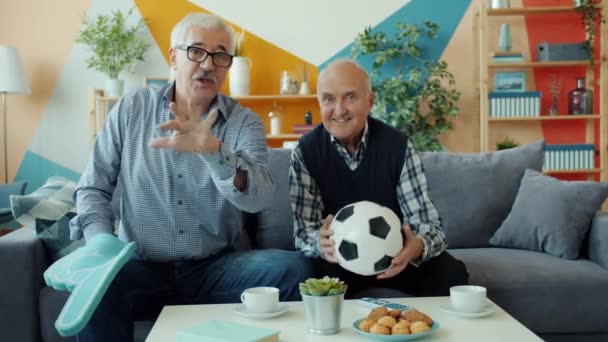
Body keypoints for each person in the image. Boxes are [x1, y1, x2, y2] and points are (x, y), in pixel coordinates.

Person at [69, 13, 313, 341]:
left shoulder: (244, 122)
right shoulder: (131, 109)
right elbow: (93, 187)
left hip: (216, 270)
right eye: (196, 51)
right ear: (174, 56)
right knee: (95, 283)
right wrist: (100, 244)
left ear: (228, 65)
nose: (208, 64)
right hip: (141, 267)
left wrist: (214, 152)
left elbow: (259, 198)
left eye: (220, 55)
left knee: (294, 269)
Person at [289, 59, 468, 298]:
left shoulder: (397, 146)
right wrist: (318, 243)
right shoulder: (306, 151)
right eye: (329, 99)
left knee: (450, 272)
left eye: (350, 97)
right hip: (335, 265)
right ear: (319, 102)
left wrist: (416, 247)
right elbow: (303, 233)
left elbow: (430, 226)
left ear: (370, 101)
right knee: (296, 273)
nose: (339, 110)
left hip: (396, 261)